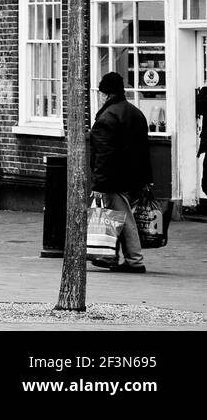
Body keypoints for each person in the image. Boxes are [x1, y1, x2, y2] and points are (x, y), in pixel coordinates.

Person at [89, 72, 154, 273]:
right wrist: (147, 180)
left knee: (123, 219)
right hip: (136, 177)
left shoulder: (107, 117)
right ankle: (112, 257)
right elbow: (144, 150)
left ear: (106, 94)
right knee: (121, 216)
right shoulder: (136, 113)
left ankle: (134, 259)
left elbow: (104, 154)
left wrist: (99, 185)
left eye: (101, 93)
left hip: (115, 178)